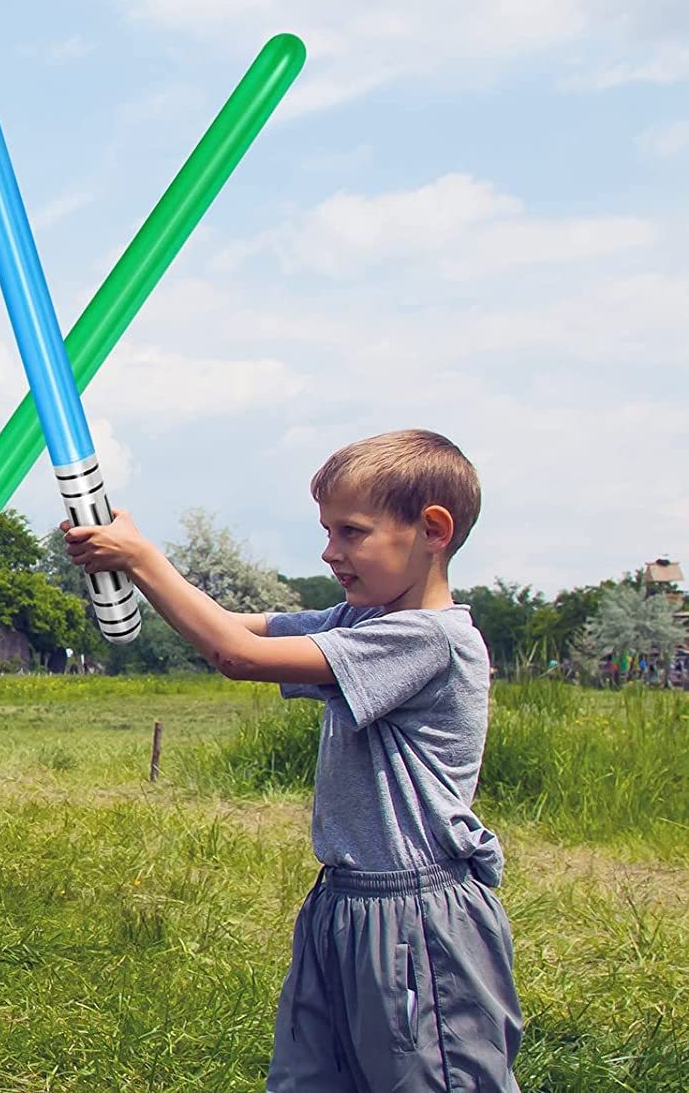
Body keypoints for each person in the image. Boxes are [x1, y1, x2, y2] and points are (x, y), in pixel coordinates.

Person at [66, 428, 522, 1091]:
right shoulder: (359, 620)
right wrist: (132, 565)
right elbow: (230, 627)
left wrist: (143, 560)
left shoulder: (429, 639)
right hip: (341, 906)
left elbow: (238, 656)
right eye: (327, 531)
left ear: (432, 529)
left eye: (351, 532)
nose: (329, 551)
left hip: (417, 922)